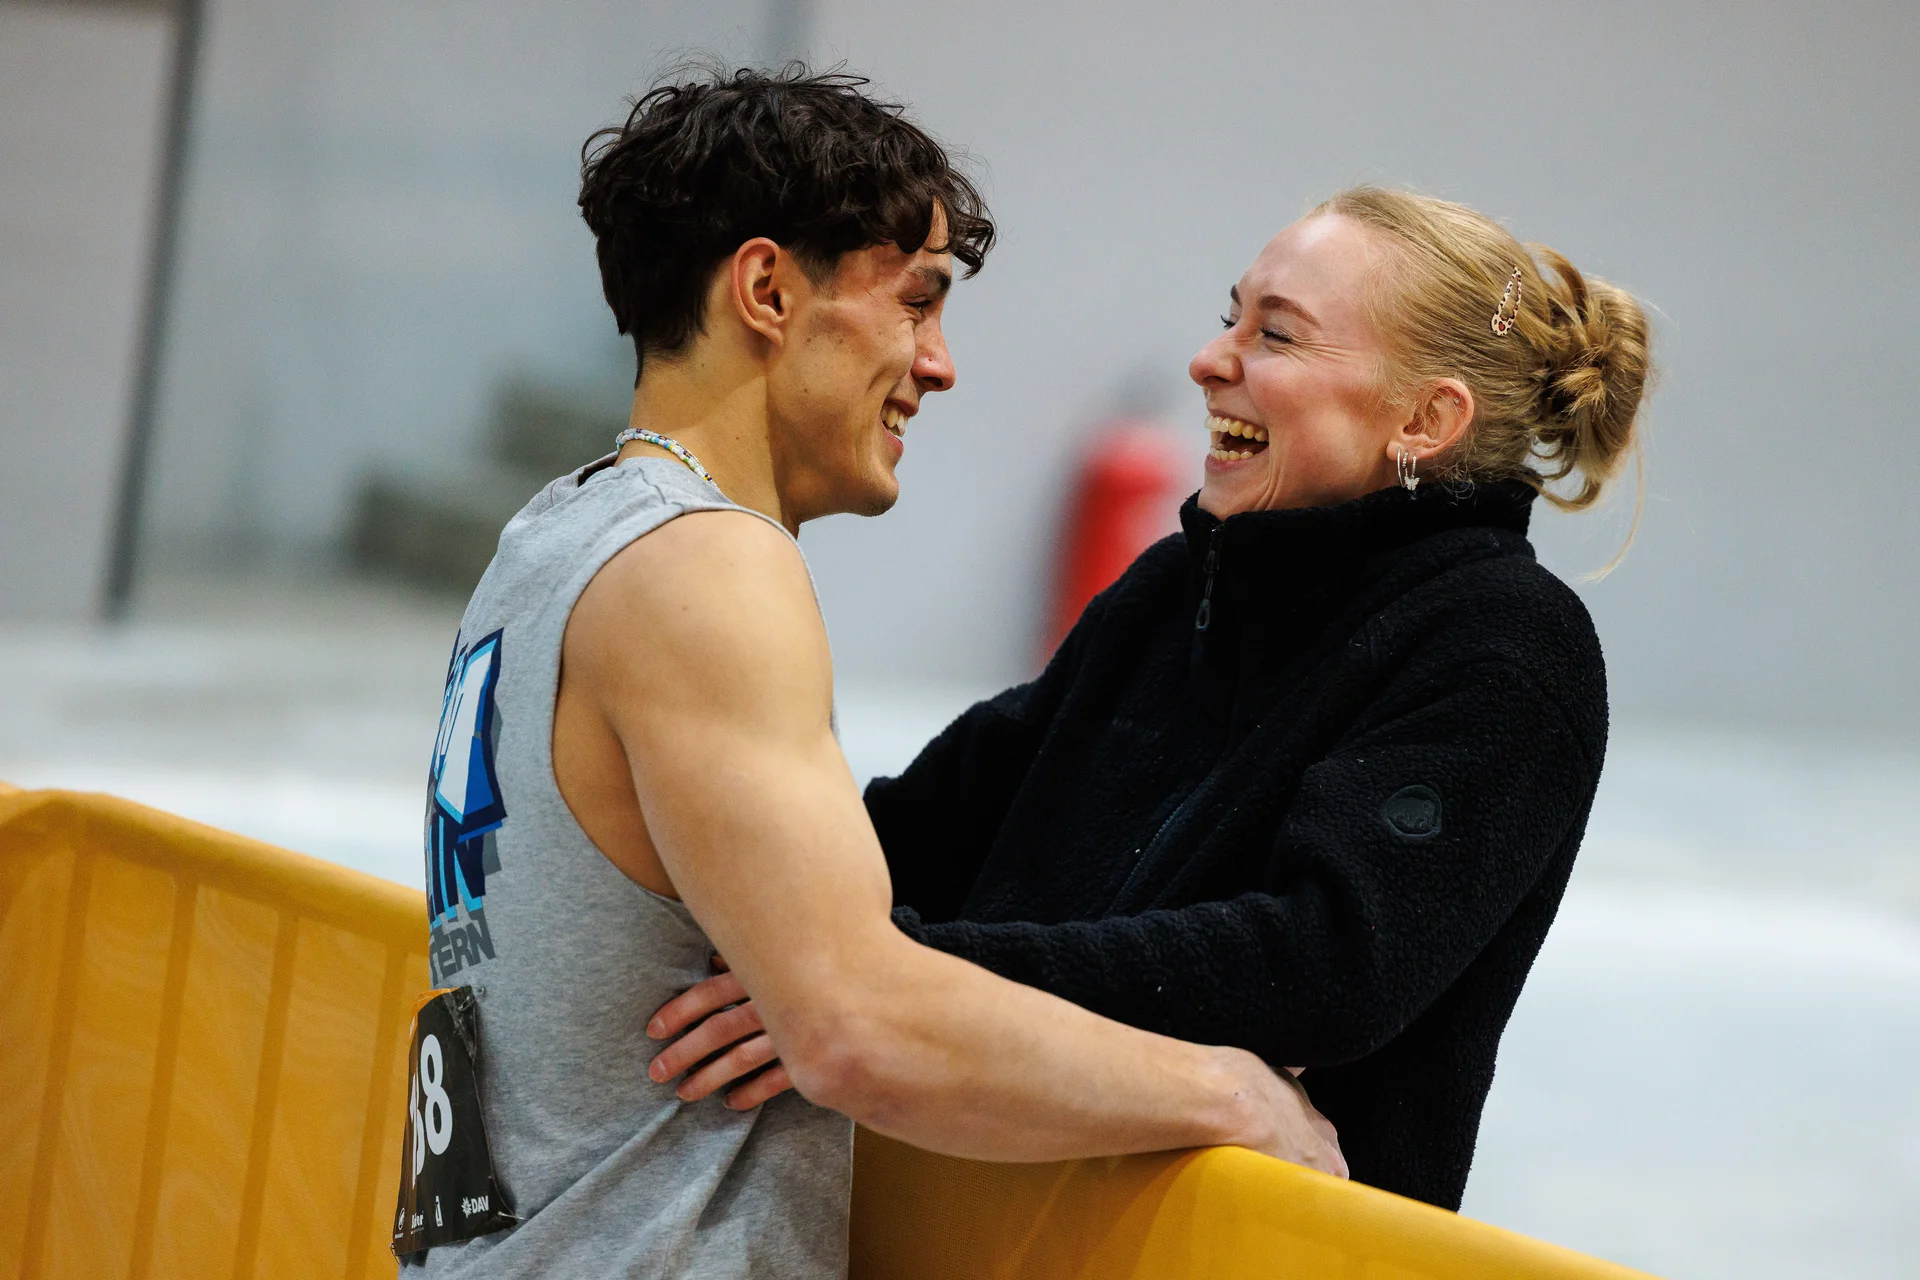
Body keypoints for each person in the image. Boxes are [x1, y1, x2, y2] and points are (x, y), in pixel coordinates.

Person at [410, 65, 1341, 1280]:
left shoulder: (553, 535)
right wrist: (1233, 1092)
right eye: (917, 301)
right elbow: (856, 1027)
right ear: (766, 289)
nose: (939, 362)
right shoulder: (708, 567)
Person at [648, 186, 1652, 1211]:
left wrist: (889, 987)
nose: (1211, 358)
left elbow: (1323, 966)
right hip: (991, 1224)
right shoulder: (1176, 590)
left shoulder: (1506, 647)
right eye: (1231, 315)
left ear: (1427, 417)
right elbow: (920, 825)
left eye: (1276, 334)